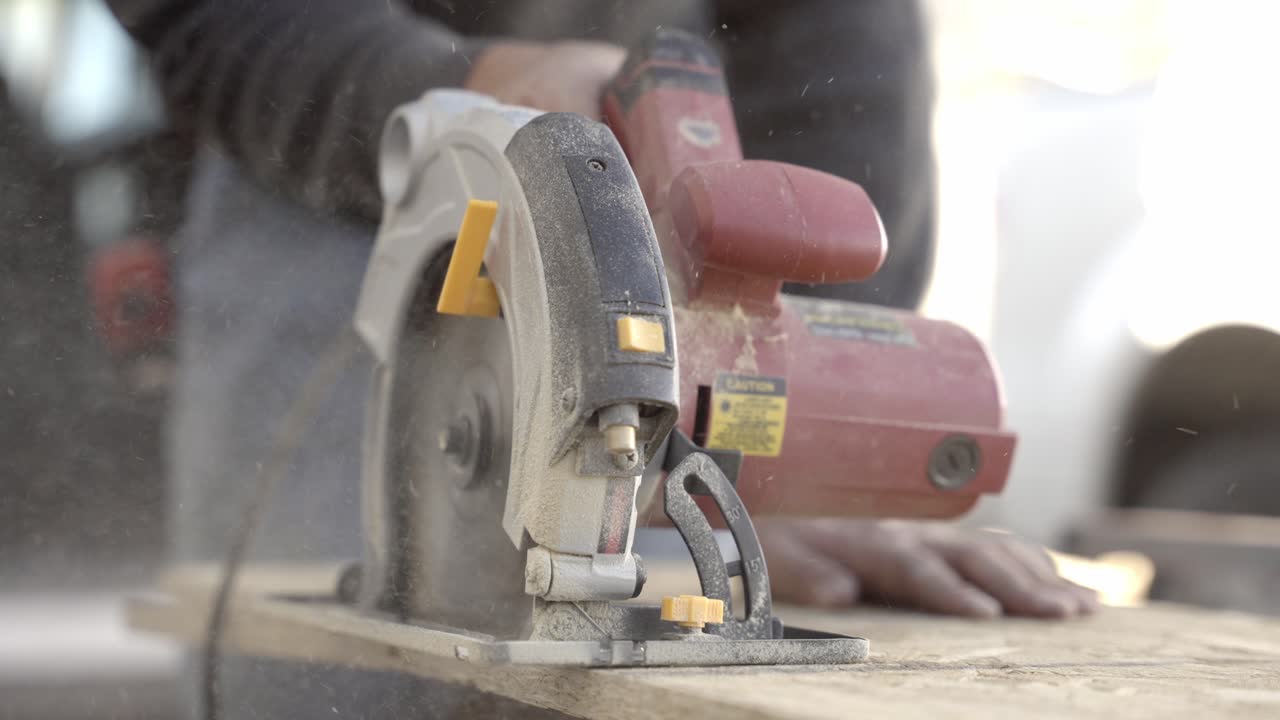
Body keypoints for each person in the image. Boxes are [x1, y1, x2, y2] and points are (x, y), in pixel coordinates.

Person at [101, 0, 1098, 716]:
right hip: (343, 127)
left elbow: (846, 44)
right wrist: (456, 81)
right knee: (318, 663)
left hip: (656, 99)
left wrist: (789, 419)